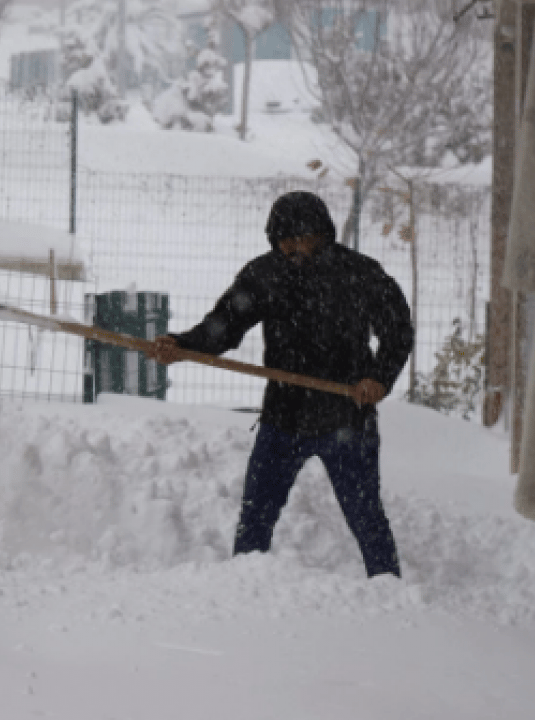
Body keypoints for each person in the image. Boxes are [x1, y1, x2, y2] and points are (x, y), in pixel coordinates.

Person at [146, 191, 414, 578]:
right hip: (283, 417)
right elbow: (223, 326)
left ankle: (390, 590)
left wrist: (379, 378)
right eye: (283, 239)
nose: (291, 247)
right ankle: (241, 588)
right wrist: (183, 345)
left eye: (299, 237)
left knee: (366, 517)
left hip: (346, 418)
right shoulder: (264, 274)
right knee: (255, 516)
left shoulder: (358, 273)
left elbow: (397, 329)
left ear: (321, 234)